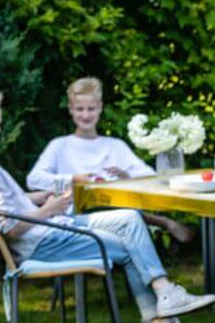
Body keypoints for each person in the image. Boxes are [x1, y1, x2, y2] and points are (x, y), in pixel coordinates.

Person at [0, 89, 215, 323]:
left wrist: (44, 196)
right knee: (130, 243)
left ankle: (165, 296)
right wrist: (50, 209)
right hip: (44, 241)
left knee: (130, 220)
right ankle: (164, 321)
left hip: (52, 228)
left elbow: (10, 205)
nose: (0, 128)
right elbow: (10, 227)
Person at [26, 77, 194, 243]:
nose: (85, 115)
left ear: (100, 108)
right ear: (71, 109)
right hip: (76, 219)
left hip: (116, 213)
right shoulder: (59, 146)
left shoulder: (115, 146)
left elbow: (150, 176)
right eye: (80, 109)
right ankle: (162, 223)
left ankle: (162, 225)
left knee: (127, 216)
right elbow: (33, 180)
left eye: (91, 109)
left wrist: (128, 178)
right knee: (129, 218)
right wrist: (72, 179)